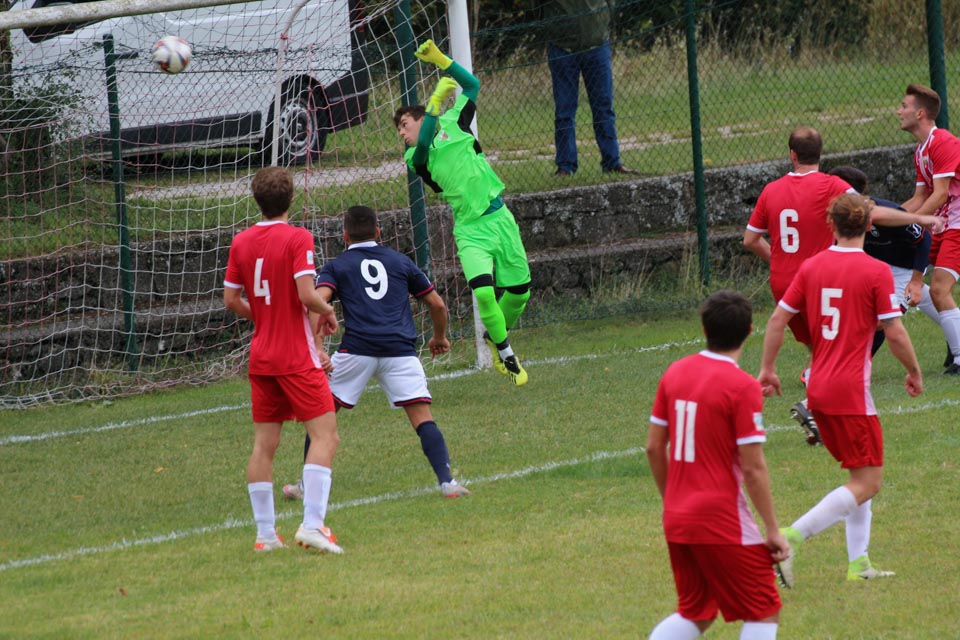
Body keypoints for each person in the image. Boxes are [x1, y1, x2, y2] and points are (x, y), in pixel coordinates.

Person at [758, 193, 924, 587]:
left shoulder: (812, 266)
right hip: (850, 391)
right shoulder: (875, 271)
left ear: (831, 225)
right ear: (869, 225)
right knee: (868, 482)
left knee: (858, 475)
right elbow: (894, 331)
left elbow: (778, 320)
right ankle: (790, 538)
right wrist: (914, 371)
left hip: (817, 387)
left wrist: (767, 369)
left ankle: (858, 564)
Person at [743, 126, 940, 445]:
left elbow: (750, 239)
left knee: (821, 350)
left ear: (792, 154)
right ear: (820, 154)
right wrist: (920, 219)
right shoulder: (830, 185)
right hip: (823, 279)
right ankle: (817, 407)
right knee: (849, 342)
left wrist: (778, 259)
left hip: (784, 282)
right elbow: (871, 210)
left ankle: (819, 411)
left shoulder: (771, 190)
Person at [282, 205, 471, 501]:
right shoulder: (401, 261)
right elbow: (437, 304)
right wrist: (439, 336)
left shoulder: (337, 265)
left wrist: (317, 347)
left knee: (321, 416)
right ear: (379, 232)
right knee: (423, 419)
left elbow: (316, 302)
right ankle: (448, 482)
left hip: (357, 350)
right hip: (400, 351)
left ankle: (306, 486)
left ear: (345, 235)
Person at [647, 290, 788, 640]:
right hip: (720, 517)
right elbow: (753, 469)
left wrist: (673, 499)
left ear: (704, 329)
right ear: (750, 331)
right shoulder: (741, 387)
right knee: (764, 608)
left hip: (678, 515)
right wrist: (773, 529)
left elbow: (654, 447)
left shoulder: (676, 372)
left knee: (696, 610)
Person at [395, 39, 531, 386]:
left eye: (405, 125)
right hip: (470, 230)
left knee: (520, 293)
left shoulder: (455, 121)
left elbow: (471, 85)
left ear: (419, 119)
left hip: (500, 219)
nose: (402, 133)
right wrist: (434, 104)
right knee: (484, 292)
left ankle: (494, 336)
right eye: (399, 130)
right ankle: (506, 354)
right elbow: (424, 145)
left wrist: (442, 60)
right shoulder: (415, 158)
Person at [222, 166, 343, 554]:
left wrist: (263, 317)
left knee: (264, 446)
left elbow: (231, 300)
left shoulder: (241, 241)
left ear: (257, 201)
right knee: (325, 436)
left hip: (262, 356)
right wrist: (327, 310)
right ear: (291, 198)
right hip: (295, 355)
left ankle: (265, 535)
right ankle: (312, 525)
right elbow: (307, 294)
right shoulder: (297, 237)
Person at [828, 165, 945, 358]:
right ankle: (954, 331)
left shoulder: (882, 212)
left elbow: (924, 239)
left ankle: (858, 361)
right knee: (933, 301)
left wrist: (915, 280)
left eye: (832, 186)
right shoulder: (842, 216)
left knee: (882, 320)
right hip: (878, 268)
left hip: (905, 268)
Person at [897, 83, 960, 375]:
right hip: (942, 224)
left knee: (939, 288)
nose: (899, 111)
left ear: (920, 113)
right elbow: (920, 197)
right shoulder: (920, 150)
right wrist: (887, 218)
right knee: (915, 282)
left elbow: (941, 193)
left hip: (956, 225)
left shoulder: (942, 142)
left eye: (904, 106)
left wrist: (908, 222)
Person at [541, 0, 639, 177]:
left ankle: (612, 162)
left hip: (597, 44)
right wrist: (555, 28)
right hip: (562, 48)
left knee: (603, 106)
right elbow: (538, 8)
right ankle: (565, 166)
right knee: (564, 110)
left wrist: (601, 21)